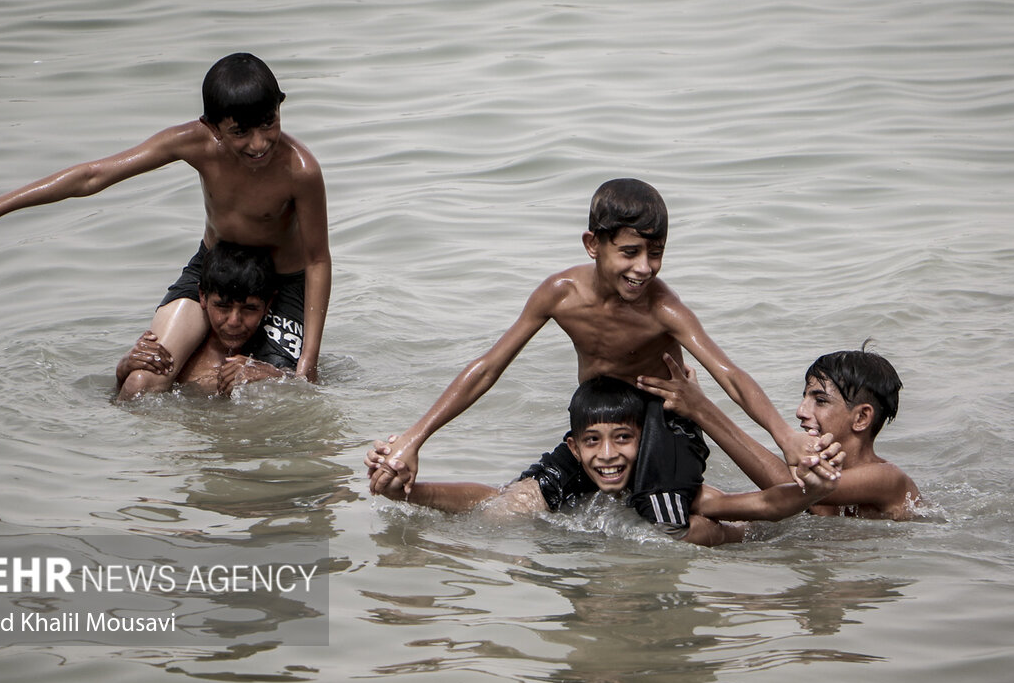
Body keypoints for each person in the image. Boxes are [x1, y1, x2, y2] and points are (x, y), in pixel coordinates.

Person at [368, 178, 828, 539]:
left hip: (663, 420)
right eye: (629, 252)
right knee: (511, 507)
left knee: (665, 523)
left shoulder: (663, 308)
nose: (644, 267)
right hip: (602, 419)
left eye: (656, 253)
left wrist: (786, 436)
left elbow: (729, 374)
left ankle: (730, 534)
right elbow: (489, 367)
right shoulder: (560, 294)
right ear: (593, 245)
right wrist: (414, 438)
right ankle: (409, 493)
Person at [0, 52, 331, 395]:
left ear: (280, 107)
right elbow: (93, 175)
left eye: (268, 124)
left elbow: (316, 261)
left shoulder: (300, 170)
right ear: (212, 127)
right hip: (214, 266)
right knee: (143, 381)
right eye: (240, 132)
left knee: (277, 394)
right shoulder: (193, 142)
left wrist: (306, 366)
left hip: (280, 284)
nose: (259, 144)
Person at [367, 376, 843, 546]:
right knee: (504, 512)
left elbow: (759, 506)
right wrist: (412, 492)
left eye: (622, 440)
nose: (609, 455)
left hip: (720, 524)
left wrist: (815, 494)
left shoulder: (661, 484)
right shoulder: (578, 466)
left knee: (685, 531)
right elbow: (491, 499)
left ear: (642, 443)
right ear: (574, 449)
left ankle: (721, 539)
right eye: (593, 442)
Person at [638, 346, 920, 520]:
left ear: (861, 418)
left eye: (820, 401)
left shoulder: (887, 479)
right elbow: (790, 491)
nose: (800, 411)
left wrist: (701, 410)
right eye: (805, 397)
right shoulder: (814, 480)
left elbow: (798, 492)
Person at [116, 242, 285, 396]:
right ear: (202, 297)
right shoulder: (178, 354)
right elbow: (120, 408)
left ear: (268, 304)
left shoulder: (271, 355)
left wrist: (272, 375)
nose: (234, 321)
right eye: (223, 307)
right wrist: (123, 369)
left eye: (249, 309)